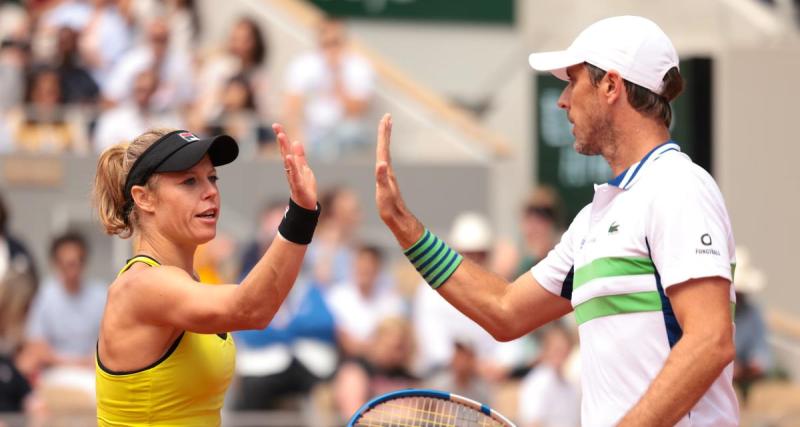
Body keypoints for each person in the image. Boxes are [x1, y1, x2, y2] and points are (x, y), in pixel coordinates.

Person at [374, 15, 738, 427]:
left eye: (572, 81)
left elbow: (710, 341)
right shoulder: (594, 219)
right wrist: (403, 226)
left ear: (611, 87)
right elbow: (504, 310)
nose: (562, 99)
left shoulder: (677, 185)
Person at [91, 124, 320, 425]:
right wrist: (300, 214)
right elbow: (251, 307)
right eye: (189, 182)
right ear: (144, 198)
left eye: (212, 178)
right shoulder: (142, 285)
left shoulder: (188, 281)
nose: (210, 191)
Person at [16, 232, 106, 378]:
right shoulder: (45, 295)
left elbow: (109, 343)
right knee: (24, 362)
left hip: (92, 371)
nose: (73, 269)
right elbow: (36, 344)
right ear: (56, 263)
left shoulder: (101, 295)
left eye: (77, 261)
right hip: (55, 372)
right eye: (67, 263)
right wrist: (68, 363)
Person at [283, 17, 375, 160]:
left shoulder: (359, 67)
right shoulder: (302, 65)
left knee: (351, 133)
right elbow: (292, 107)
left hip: (345, 131)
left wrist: (337, 75)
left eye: (335, 43)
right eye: (326, 44)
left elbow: (357, 110)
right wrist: (297, 134)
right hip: (311, 131)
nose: (331, 49)